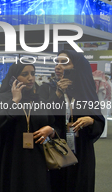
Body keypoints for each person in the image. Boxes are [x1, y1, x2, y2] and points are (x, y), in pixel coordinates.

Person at [0, 63, 55, 192]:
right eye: (25, 74)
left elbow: (52, 122)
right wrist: (14, 101)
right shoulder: (0, 100)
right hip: (10, 156)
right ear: (13, 78)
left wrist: (51, 130)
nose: (30, 78)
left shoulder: (39, 100)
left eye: (33, 74)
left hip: (36, 157)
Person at [39, 50, 105, 192]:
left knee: (80, 185)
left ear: (77, 67)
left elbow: (99, 122)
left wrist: (91, 121)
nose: (58, 66)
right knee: (56, 184)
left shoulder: (85, 92)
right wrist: (57, 94)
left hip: (82, 150)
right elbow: (41, 115)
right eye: (57, 62)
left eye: (64, 63)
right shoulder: (47, 89)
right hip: (56, 148)